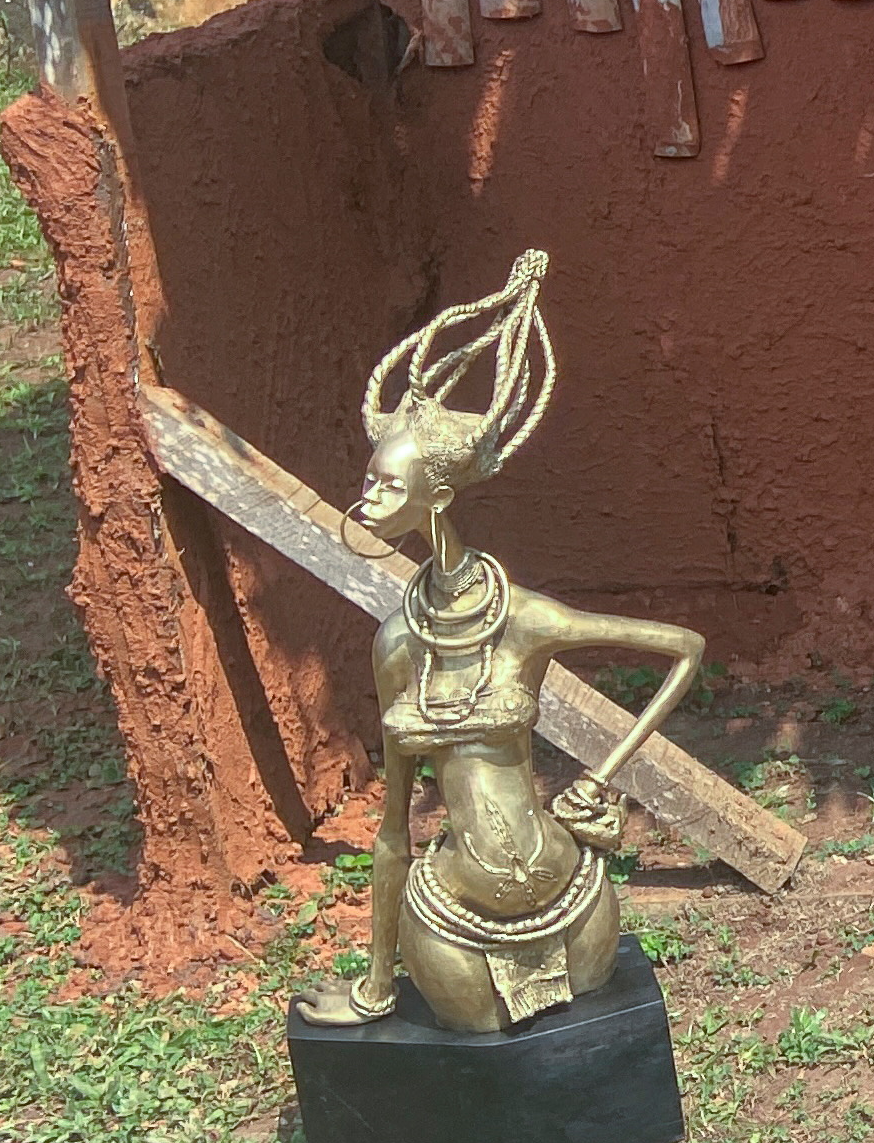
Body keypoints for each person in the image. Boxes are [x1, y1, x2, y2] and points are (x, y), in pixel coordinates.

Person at [295, 252, 703, 1033]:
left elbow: (681, 647)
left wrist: (602, 777)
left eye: (387, 484)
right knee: (477, 1040)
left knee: (586, 1052)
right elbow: (391, 830)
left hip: (573, 896)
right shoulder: (399, 646)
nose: (369, 496)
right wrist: (378, 987)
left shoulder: (524, 619)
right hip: (454, 914)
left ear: (436, 497)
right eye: (372, 481)